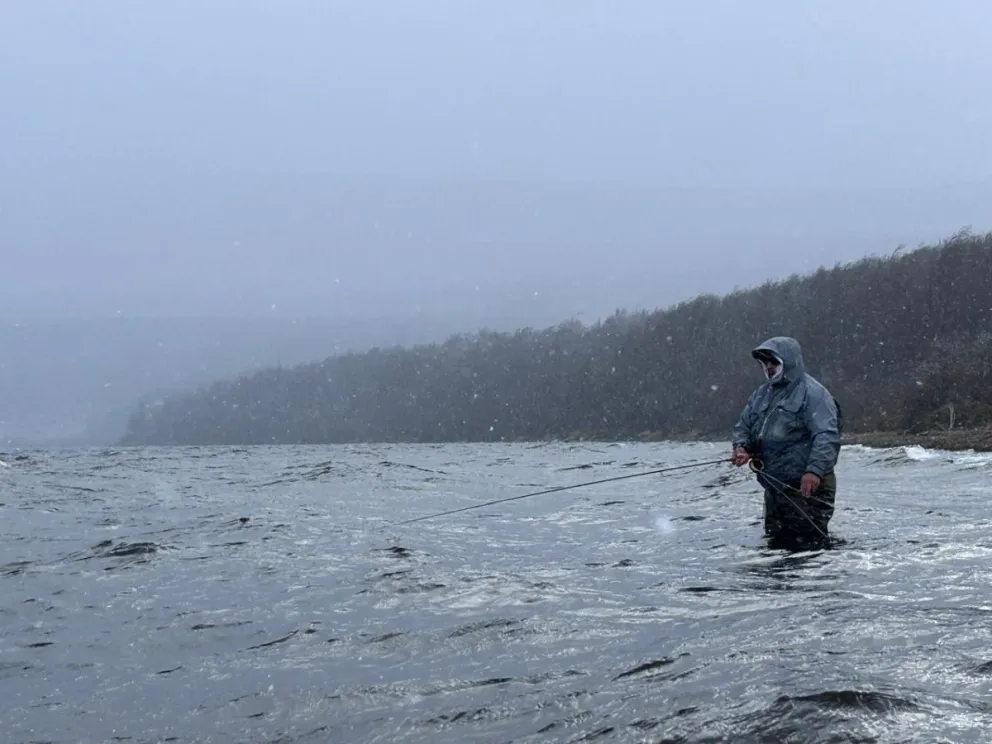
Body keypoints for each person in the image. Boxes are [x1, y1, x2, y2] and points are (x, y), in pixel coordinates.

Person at [730, 336, 842, 545]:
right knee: (776, 547)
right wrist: (741, 447)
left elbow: (826, 436)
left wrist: (814, 471)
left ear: (789, 361)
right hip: (774, 488)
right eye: (765, 362)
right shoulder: (761, 394)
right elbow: (744, 426)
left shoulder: (814, 394)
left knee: (809, 549)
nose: (769, 367)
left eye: (773, 361)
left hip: (807, 488)